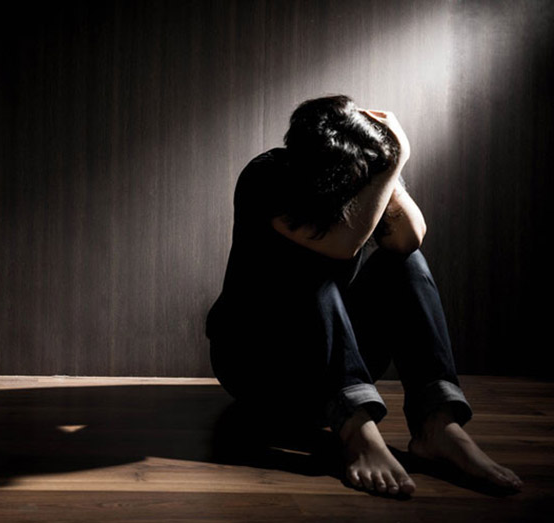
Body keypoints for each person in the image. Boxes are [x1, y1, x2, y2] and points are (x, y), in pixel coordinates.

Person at [205, 95, 523, 496]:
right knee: (310, 271)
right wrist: (392, 163)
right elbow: (341, 245)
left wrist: (390, 164)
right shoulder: (267, 176)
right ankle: (358, 433)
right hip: (259, 366)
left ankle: (437, 426)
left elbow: (410, 238)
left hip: (333, 366)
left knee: (405, 262)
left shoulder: (373, 169)